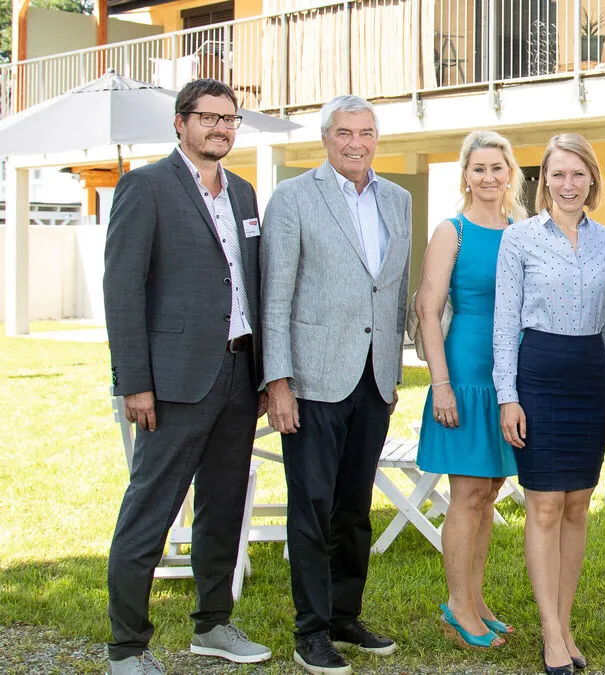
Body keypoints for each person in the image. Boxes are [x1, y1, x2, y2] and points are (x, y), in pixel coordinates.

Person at [102, 78, 272, 675]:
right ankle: (126, 648)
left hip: (236, 375)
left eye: (230, 119)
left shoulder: (245, 194)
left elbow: (253, 284)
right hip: (172, 382)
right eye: (208, 118)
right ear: (181, 123)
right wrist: (134, 382)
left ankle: (213, 625)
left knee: (224, 508)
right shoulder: (144, 187)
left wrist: (261, 373)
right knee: (149, 512)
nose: (220, 128)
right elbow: (122, 291)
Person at [261, 95, 411, 675]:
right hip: (313, 379)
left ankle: (345, 615)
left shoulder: (397, 200)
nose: (357, 142)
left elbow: (394, 292)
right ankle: (312, 630)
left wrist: (393, 373)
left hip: (373, 379)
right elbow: (275, 296)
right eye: (345, 132)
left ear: (377, 138)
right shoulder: (294, 199)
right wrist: (278, 382)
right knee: (313, 507)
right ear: (326, 139)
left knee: (353, 508)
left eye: (367, 132)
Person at [493, 133, 605, 675]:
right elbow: (504, 326)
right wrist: (508, 396)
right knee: (544, 505)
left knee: (576, 507)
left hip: (591, 377)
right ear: (542, 179)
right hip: (539, 373)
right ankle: (550, 633)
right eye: (557, 174)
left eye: (578, 174)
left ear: (592, 178)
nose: (567, 184)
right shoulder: (519, 239)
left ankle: (564, 625)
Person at [414, 130, 526, 650]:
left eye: (496, 168)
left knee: (492, 490)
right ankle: (458, 607)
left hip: (510, 375)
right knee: (467, 494)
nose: (487, 177)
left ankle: (475, 599)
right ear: (465, 175)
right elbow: (427, 309)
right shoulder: (451, 231)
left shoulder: (523, 229)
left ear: (511, 174)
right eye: (478, 168)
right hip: (463, 370)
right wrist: (441, 384)